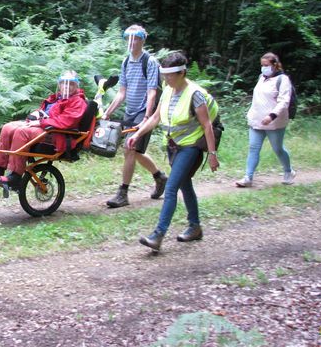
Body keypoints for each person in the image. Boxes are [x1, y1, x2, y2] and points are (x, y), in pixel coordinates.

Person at [127, 52, 220, 251]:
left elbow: (207, 126)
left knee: (171, 189)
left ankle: (157, 235)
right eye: (164, 75)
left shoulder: (194, 94)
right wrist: (138, 134)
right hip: (173, 145)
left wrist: (212, 155)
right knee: (185, 185)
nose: (166, 79)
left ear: (182, 73)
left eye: (170, 75)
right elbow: (155, 118)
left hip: (191, 146)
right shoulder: (168, 90)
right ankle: (195, 227)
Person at [0, 71, 88, 190]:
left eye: (71, 84)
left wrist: (41, 122)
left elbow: (66, 121)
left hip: (57, 133)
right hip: (43, 127)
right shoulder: (56, 98)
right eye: (63, 83)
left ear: (76, 86)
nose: (66, 86)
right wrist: (35, 115)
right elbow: (44, 111)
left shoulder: (78, 101)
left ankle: (16, 176)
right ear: (60, 84)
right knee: (8, 127)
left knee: (21, 132)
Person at [102, 24, 167, 207]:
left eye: (135, 38)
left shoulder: (150, 62)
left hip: (145, 111)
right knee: (136, 152)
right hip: (130, 111)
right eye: (128, 38)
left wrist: (146, 118)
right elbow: (121, 93)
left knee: (130, 149)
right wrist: (107, 113)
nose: (131, 42)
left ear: (142, 40)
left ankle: (123, 193)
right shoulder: (125, 62)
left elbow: (152, 92)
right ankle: (160, 177)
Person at [235, 52, 296, 188]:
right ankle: (248, 177)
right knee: (253, 148)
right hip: (257, 121)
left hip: (275, 123)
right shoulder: (261, 78)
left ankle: (288, 171)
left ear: (275, 65)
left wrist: (271, 116)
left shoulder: (283, 80)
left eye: (266, 65)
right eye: (262, 65)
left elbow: (283, 102)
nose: (263, 68)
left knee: (278, 149)